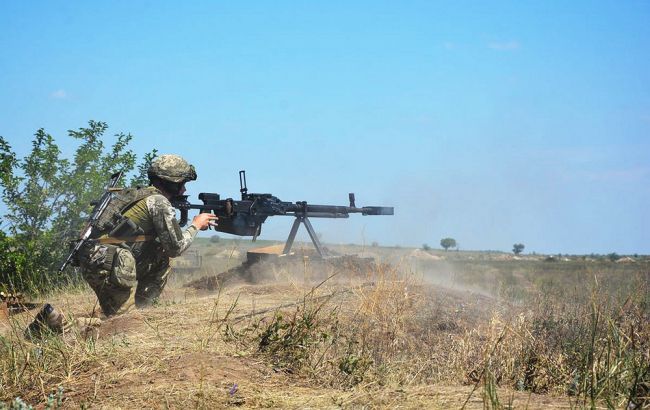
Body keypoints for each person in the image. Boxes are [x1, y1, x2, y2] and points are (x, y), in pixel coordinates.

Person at [79, 154, 217, 316]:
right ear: (168, 182)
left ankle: (144, 308)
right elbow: (176, 248)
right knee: (122, 323)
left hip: (99, 260)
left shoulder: (140, 195)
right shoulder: (158, 202)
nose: (184, 189)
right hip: (109, 263)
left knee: (160, 255)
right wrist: (196, 225)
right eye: (181, 184)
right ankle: (65, 326)